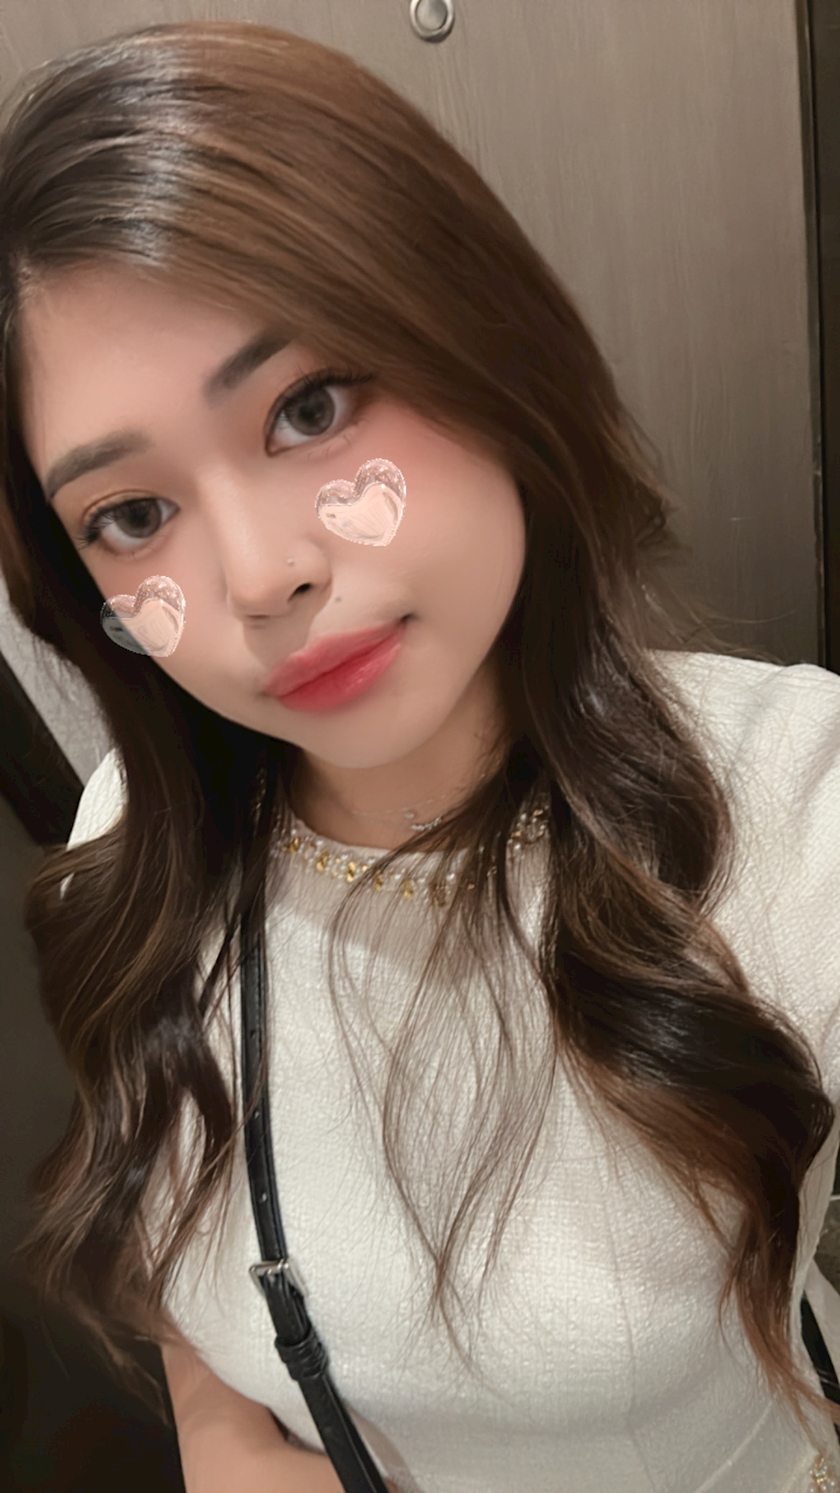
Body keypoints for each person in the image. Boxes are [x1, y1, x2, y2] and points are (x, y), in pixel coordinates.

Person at [2, 20, 840, 1493]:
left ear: (486, 339)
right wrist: (219, 1429)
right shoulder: (129, 833)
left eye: (309, 407)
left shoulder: (798, 802)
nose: (261, 575)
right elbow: (181, 1201)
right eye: (131, 515)